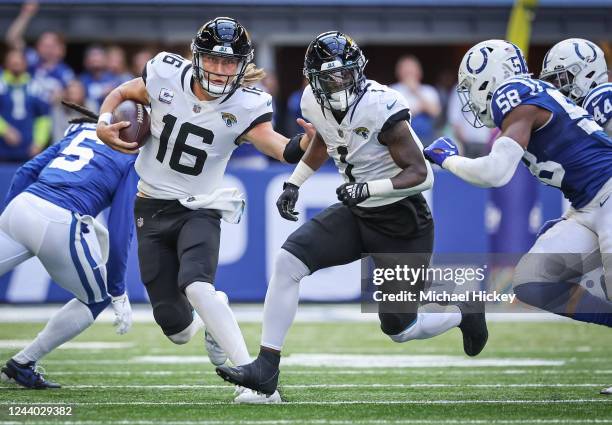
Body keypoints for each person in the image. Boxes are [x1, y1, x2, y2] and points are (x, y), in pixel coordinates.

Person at [215, 31, 488, 397]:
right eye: (328, 76)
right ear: (313, 81)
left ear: (358, 71)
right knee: (288, 262)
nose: (338, 81)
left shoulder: (382, 105)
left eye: (344, 73)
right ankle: (267, 366)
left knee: (400, 329)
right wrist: (295, 181)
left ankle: (463, 312)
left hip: (402, 221)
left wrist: (368, 188)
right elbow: (324, 141)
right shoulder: (313, 101)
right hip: (358, 212)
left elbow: (421, 175)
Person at [95, 17, 313, 404]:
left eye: (230, 63)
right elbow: (123, 92)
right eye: (213, 59)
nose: (220, 69)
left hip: (201, 206)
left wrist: (307, 143)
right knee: (176, 328)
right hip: (151, 205)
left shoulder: (247, 104)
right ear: (196, 57)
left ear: (243, 65)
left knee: (197, 286)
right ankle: (211, 319)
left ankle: (258, 383)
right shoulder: (164, 74)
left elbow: (279, 146)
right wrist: (103, 122)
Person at [423, 40, 612, 328]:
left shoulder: (516, 94)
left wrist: (447, 159)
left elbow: (494, 172)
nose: (471, 99)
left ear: (490, 79)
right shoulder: (528, 100)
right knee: (533, 281)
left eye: (472, 86)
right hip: (587, 205)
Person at [0, 105, 136, 389]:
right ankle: (24, 362)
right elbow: (121, 227)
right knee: (96, 299)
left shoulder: (83, 130)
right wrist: (118, 289)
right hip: (61, 220)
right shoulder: (133, 157)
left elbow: (26, 171)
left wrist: (7, 218)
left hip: (22, 206)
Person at [540, 38, 612, 397]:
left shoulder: (603, 98)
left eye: (564, 77)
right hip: (591, 208)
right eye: (553, 80)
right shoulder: (566, 113)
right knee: (536, 281)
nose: (558, 87)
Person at [5, 1, 74, 103]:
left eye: (50, 45)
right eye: (43, 45)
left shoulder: (64, 71)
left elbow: (73, 95)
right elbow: (12, 38)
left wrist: (62, 96)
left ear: (59, 48)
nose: (47, 49)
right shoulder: (31, 59)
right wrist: (26, 14)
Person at [540, 38, 611, 136]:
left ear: (588, 74)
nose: (554, 88)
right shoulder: (571, 114)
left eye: (559, 80)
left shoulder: (605, 99)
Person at [0, 49, 51, 161]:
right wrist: (4, 130)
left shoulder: (35, 86)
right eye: (12, 61)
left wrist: (39, 142)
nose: (16, 63)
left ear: (25, 63)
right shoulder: (1, 83)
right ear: (5, 63)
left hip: (28, 152)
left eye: (19, 61)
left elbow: (43, 117)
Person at [390, 55, 441, 145]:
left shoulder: (428, 90)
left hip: (427, 139)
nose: (409, 73)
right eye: (406, 69)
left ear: (419, 71)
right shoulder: (392, 90)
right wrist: (418, 109)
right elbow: (392, 116)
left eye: (412, 69)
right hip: (402, 140)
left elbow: (435, 112)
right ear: (399, 72)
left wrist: (416, 91)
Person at [79, 46, 116, 111]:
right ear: (86, 61)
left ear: (105, 60)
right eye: (92, 56)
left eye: (98, 56)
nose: (95, 59)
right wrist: (102, 91)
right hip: (88, 116)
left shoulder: (113, 78)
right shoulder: (82, 79)